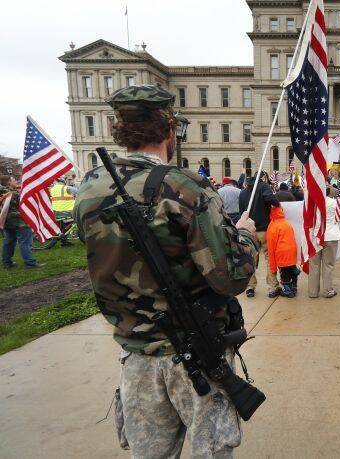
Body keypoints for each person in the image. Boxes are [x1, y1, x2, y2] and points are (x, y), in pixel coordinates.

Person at [72, 85, 259, 458]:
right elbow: (229, 277)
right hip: (193, 349)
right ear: (170, 130)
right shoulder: (184, 187)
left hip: (135, 349)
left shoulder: (89, 187)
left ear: (118, 130)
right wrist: (246, 237)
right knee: (212, 452)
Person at [239, 171, 281, 298]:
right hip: (264, 229)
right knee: (269, 258)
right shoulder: (263, 186)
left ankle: (250, 287)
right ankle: (272, 287)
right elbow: (271, 198)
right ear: (262, 178)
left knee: (250, 259)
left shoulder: (243, 193)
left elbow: (242, 213)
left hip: (249, 232)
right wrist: (276, 204)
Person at [1, 176, 43, 269]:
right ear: (8, 183)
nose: (15, 181)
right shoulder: (14, 194)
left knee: (8, 242)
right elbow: (26, 202)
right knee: (24, 242)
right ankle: (30, 263)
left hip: (6, 221)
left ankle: (7, 262)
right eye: (13, 180)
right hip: (20, 222)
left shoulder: (3, 193)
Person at [308, 187, 340, 298]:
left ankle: (313, 292)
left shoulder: (312, 204)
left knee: (314, 265)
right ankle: (327, 291)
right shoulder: (334, 202)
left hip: (315, 236)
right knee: (328, 265)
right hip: (331, 235)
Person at [265, 203, 299, 298]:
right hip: (292, 250)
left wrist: (273, 267)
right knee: (292, 269)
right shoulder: (286, 223)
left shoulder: (272, 226)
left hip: (282, 253)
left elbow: (271, 248)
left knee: (284, 272)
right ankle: (294, 287)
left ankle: (288, 291)